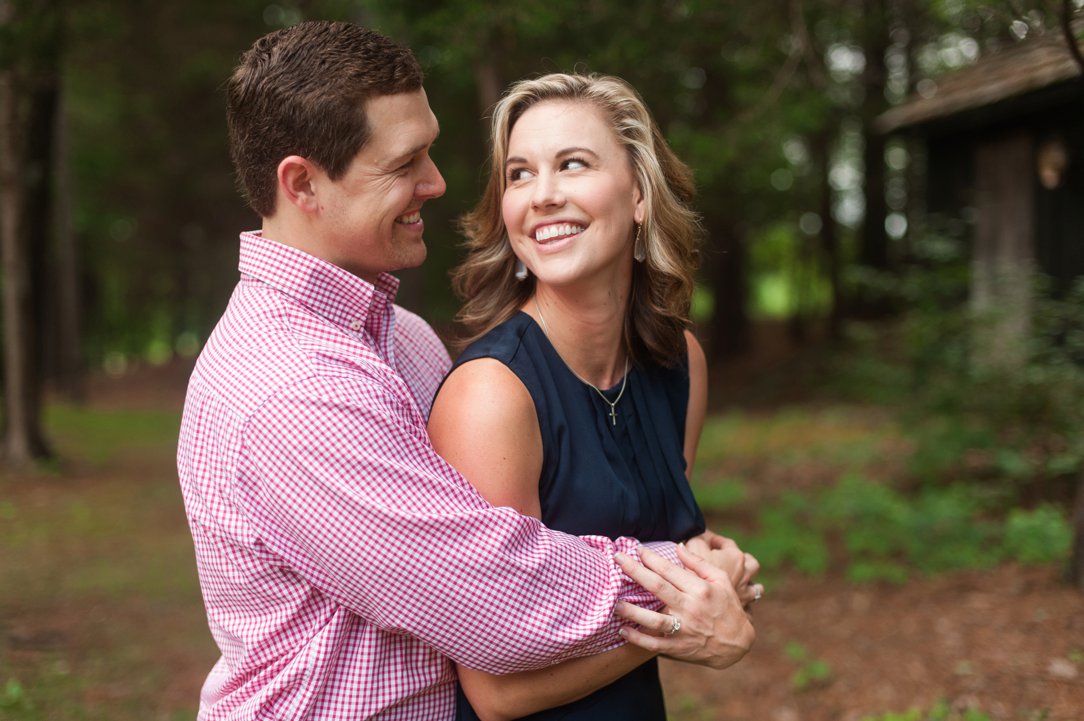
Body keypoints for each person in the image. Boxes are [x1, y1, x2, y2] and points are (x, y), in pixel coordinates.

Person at [176, 21, 758, 721]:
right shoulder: (291, 389)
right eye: (405, 163)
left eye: (431, 151)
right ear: (303, 184)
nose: (437, 182)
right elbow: (495, 593)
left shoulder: (405, 339)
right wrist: (691, 580)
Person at [428, 73, 760, 721]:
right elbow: (495, 692)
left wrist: (714, 569)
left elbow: (653, 544)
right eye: (519, 175)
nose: (543, 195)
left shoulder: (678, 362)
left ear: (639, 193)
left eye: (572, 164)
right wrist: (689, 615)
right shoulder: (492, 395)